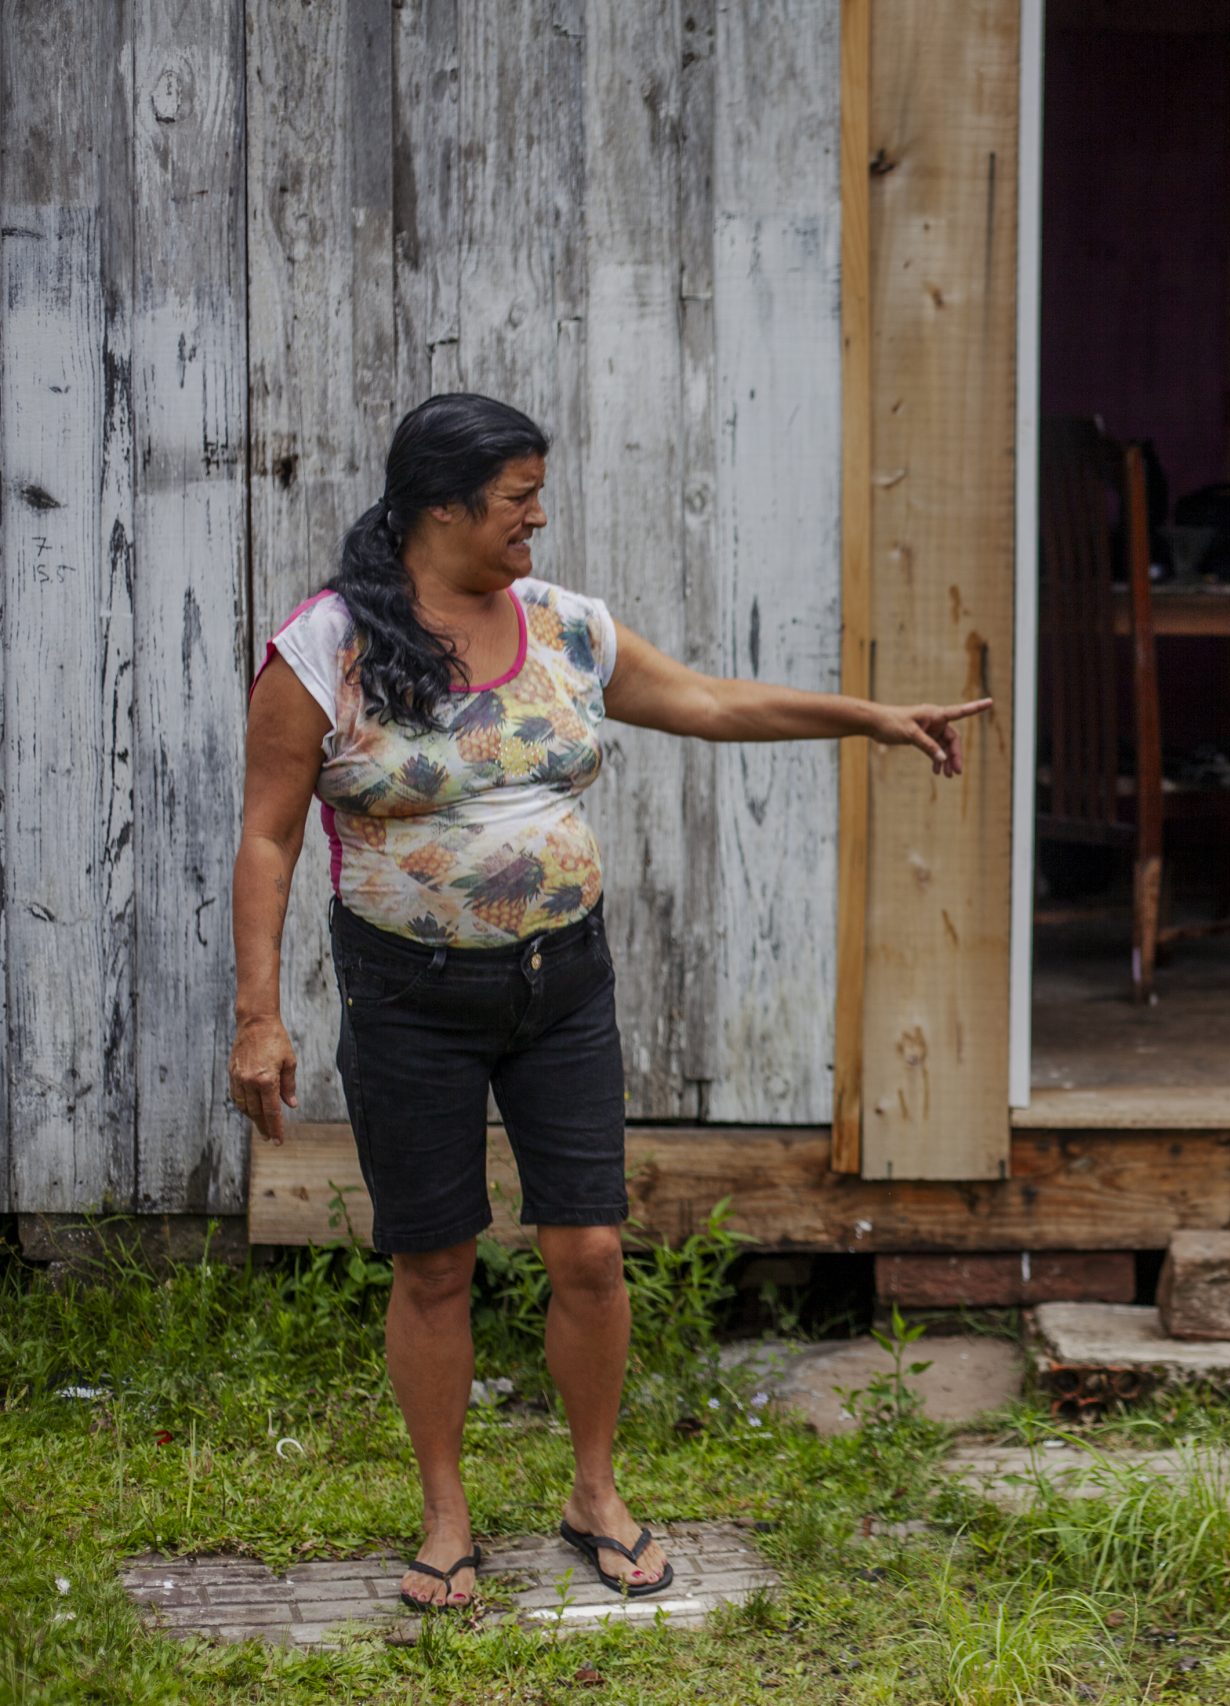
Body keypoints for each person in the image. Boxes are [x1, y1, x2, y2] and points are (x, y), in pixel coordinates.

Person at [225, 393, 989, 1611]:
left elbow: (711, 703)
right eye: (517, 496)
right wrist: (259, 1015)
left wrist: (874, 720)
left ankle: (593, 1491)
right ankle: (445, 1514)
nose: (539, 516)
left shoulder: (564, 625)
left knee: (587, 1248)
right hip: (409, 994)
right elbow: (267, 837)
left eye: (539, 493)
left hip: (562, 985)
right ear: (441, 507)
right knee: (434, 1262)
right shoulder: (326, 648)